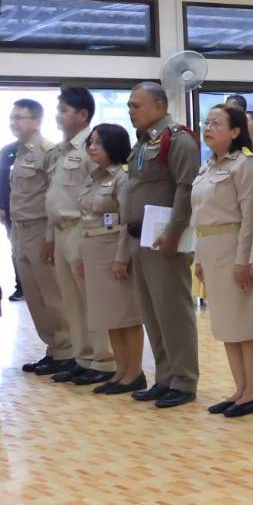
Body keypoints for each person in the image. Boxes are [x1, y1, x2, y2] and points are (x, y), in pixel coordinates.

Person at [124, 82, 201, 410]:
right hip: (139, 238)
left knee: (173, 312)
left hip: (164, 239)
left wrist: (173, 233)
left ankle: (184, 380)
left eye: (136, 105)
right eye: (129, 106)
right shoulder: (143, 142)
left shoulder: (178, 138)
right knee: (152, 313)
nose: (131, 111)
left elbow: (185, 189)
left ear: (159, 106)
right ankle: (165, 377)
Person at [193, 103, 253, 417]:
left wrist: (244, 259)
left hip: (234, 247)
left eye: (216, 123)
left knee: (245, 324)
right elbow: (200, 216)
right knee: (225, 324)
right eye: (206, 122)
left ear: (235, 131)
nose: (208, 128)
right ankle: (239, 389)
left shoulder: (244, 165)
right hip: (210, 249)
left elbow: (252, 216)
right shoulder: (207, 166)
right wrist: (198, 257)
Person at [45, 88, 115, 385]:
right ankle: (83, 357)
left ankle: (105, 359)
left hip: (81, 229)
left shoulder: (92, 147)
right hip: (61, 231)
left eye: (63, 110)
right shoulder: (62, 150)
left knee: (91, 298)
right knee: (71, 300)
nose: (58, 115)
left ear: (82, 114)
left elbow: (101, 192)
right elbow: (55, 195)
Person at [77, 123, 147, 396]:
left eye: (99, 143)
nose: (92, 147)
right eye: (90, 142)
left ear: (114, 146)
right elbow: (87, 219)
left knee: (126, 315)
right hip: (93, 250)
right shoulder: (94, 176)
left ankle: (135, 372)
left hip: (114, 251)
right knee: (109, 316)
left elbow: (128, 222)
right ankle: (120, 370)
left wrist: (121, 258)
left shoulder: (122, 177)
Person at [7, 99, 75, 377]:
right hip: (20, 231)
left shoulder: (49, 151)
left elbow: (53, 196)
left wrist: (50, 237)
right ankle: (53, 349)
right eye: (11, 118)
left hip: (40, 229)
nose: (14, 123)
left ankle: (67, 351)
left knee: (52, 294)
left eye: (19, 118)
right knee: (33, 296)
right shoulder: (19, 153)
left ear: (36, 121)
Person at [0, 138, 25, 301]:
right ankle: (21, 287)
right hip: (11, 210)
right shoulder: (7, 150)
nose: (16, 123)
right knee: (16, 250)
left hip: (38, 212)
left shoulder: (46, 149)